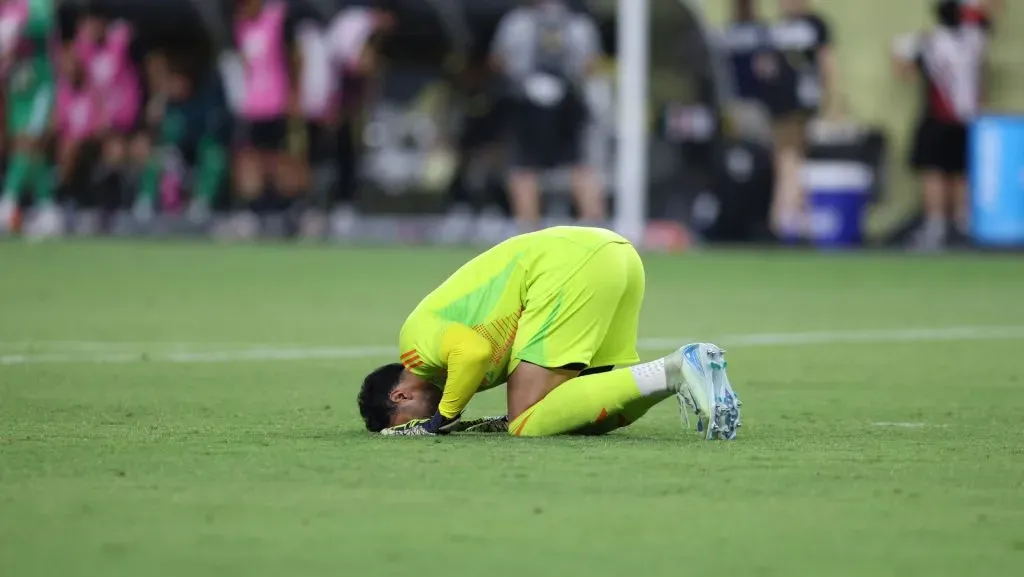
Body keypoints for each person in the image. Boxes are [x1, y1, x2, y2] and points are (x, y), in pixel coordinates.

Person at [357, 226, 742, 439]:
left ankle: (674, 369)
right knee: (592, 413)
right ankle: (684, 373)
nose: (415, 428)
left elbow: (472, 353)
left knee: (525, 419)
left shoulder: (414, 348)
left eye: (406, 422)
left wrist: (441, 418)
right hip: (615, 255)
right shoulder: (447, 371)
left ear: (400, 394)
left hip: (567, 268)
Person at [491, 0, 605, 233]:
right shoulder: (579, 23)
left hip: (529, 102)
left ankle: (527, 231)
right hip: (565, 100)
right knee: (579, 165)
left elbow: (498, 60)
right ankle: (596, 230)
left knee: (524, 168)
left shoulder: (516, 22)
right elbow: (591, 63)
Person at [895, 0, 991, 251]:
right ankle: (962, 225)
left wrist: (901, 50)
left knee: (934, 172)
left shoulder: (929, 42)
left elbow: (904, 70)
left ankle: (936, 227)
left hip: (937, 118)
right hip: (967, 120)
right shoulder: (976, 40)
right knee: (961, 173)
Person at [761, 0, 839, 241]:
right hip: (778, 105)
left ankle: (783, 217)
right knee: (785, 158)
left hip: (802, 103)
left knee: (790, 157)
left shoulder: (815, 25)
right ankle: (795, 216)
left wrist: (832, 99)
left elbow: (826, 62)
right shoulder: (778, 27)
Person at [229, 0, 303, 238]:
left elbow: (295, 57)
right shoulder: (240, 25)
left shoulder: (278, 18)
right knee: (251, 160)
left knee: (280, 161)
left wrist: (294, 93)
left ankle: (288, 212)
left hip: (277, 102)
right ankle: (254, 212)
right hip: (253, 105)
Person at [0, 0, 60, 237]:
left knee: (30, 141)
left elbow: (43, 26)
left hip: (39, 82)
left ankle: (7, 202)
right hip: (17, 86)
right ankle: (48, 210)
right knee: (25, 148)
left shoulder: (37, 4)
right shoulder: (5, 6)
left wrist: (16, 29)